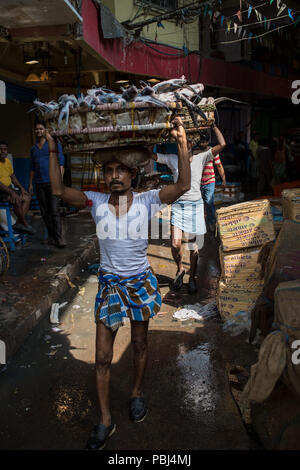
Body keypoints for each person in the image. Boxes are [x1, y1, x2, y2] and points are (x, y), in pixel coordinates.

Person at [46, 117, 191, 450]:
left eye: (120, 170)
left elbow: (182, 185)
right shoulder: (95, 201)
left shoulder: (147, 200)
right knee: (101, 357)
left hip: (140, 281)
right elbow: (56, 190)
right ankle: (105, 420)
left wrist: (182, 145)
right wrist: (53, 150)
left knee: (140, 344)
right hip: (111, 285)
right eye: (108, 170)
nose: (113, 175)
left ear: (132, 174)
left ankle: (137, 392)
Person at [151, 124, 226, 294]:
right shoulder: (172, 159)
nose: (188, 145)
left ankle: (192, 278)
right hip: (178, 205)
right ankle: (179, 268)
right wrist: (151, 137)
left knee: (195, 247)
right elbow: (152, 155)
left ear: (193, 144)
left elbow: (222, 145)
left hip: (195, 206)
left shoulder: (202, 157)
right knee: (175, 244)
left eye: (190, 142)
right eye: (184, 142)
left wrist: (213, 127)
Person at [29, 120, 66, 247]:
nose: (38, 131)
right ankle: (51, 237)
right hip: (39, 184)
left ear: (45, 130)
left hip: (52, 183)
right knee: (45, 212)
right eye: (37, 129)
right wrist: (30, 184)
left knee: (54, 211)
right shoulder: (33, 149)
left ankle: (59, 238)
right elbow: (32, 168)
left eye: (41, 129)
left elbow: (61, 163)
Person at [0, 140, 35, 234]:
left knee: (27, 197)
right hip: (1, 192)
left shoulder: (7, 162)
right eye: (1, 149)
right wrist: (12, 193)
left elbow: (13, 177)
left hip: (8, 189)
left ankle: (19, 223)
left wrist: (22, 188)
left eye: (5, 149)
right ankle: (24, 223)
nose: (3, 151)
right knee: (17, 199)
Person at [199, 130, 226, 233]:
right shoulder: (194, 151)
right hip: (198, 182)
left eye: (204, 142)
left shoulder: (212, 151)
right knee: (198, 204)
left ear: (207, 141)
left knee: (209, 203)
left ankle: (211, 223)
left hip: (210, 181)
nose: (202, 144)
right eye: (200, 142)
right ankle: (200, 224)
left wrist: (224, 179)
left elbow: (219, 165)